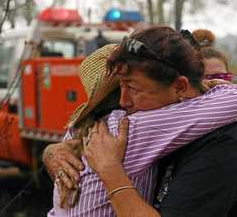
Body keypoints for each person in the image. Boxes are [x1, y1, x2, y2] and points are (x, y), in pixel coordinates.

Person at [44, 26, 237, 216]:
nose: (123, 101)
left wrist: (49, 151)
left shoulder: (88, 129)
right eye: (121, 87)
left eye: (133, 88)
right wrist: (213, 87)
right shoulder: (127, 129)